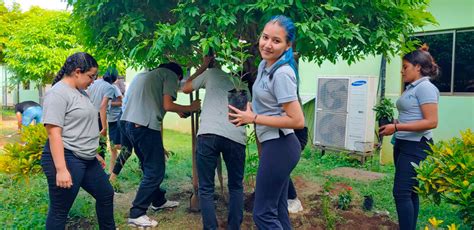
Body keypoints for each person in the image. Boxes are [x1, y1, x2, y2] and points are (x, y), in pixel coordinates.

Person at [229, 15, 304, 229]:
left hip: (281, 146)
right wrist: (252, 108)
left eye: (276, 41)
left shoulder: (282, 73)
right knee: (278, 211)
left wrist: (253, 118)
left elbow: (297, 120)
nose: (267, 45)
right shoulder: (264, 66)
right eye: (265, 37)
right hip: (274, 145)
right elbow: (270, 103)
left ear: (288, 45)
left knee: (263, 215)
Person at [40, 52, 115, 229]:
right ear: (77, 72)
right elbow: (54, 134)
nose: (93, 81)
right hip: (67, 158)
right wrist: (61, 169)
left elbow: (80, 128)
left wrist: (93, 153)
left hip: (86, 159)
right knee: (60, 211)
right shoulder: (58, 94)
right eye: (91, 76)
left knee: (106, 194)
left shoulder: (80, 92)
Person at [121, 62, 201, 227]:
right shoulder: (170, 75)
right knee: (156, 171)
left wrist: (179, 110)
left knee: (148, 166)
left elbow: (156, 102)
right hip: (145, 126)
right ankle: (137, 212)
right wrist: (191, 107)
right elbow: (167, 105)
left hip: (130, 125)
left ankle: (158, 200)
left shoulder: (145, 75)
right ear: (178, 76)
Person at [182, 55, 247, 230]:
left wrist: (202, 66)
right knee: (235, 186)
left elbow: (186, 87)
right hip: (236, 136)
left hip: (208, 134)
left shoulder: (211, 73)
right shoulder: (243, 84)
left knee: (206, 188)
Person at [379, 45, 439, 230]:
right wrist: (396, 122)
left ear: (417, 67)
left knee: (402, 193)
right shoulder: (413, 87)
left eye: (405, 67)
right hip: (404, 144)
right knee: (410, 192)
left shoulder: (426, 88)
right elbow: (414, 115)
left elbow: (431, 122)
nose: (402, 71)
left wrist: (396, 126)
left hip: (416, 146)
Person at [87, 67, 117, 159]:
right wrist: (104, 127)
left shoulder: (94, 82)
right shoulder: (110, 87)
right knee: (101, 146)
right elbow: (103, 106)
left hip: (87, 115)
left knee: (89, 145)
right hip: (98, 117)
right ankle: (100, 171)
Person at [102, 70, 123, 175]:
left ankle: (132, 146)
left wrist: (109, 103)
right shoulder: (105, 87)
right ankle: (111, 172)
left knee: (116, 146)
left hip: (117, 119)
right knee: (113, 149)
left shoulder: (113, 87)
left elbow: (121, 101)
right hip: (110, 120)